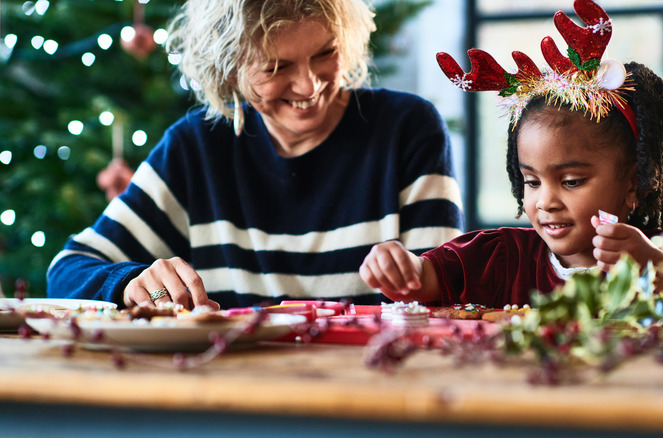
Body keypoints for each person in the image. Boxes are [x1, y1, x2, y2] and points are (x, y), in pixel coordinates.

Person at [359, 0, 663, 322]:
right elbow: (424, 281)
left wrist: (658, 269)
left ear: (634, 182)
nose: (545, 201)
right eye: (532, 182)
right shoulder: (500, 257)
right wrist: (400, 271)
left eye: (571, 181)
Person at [47, 0, 464, 310]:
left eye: (325, 53)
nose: (309, 86)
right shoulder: (196, 148)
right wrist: (131, 282)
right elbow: (67, 271)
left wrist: (417, 278)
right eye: (276, 67)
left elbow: (447, 293)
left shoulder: (407, 129)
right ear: (228, 69)